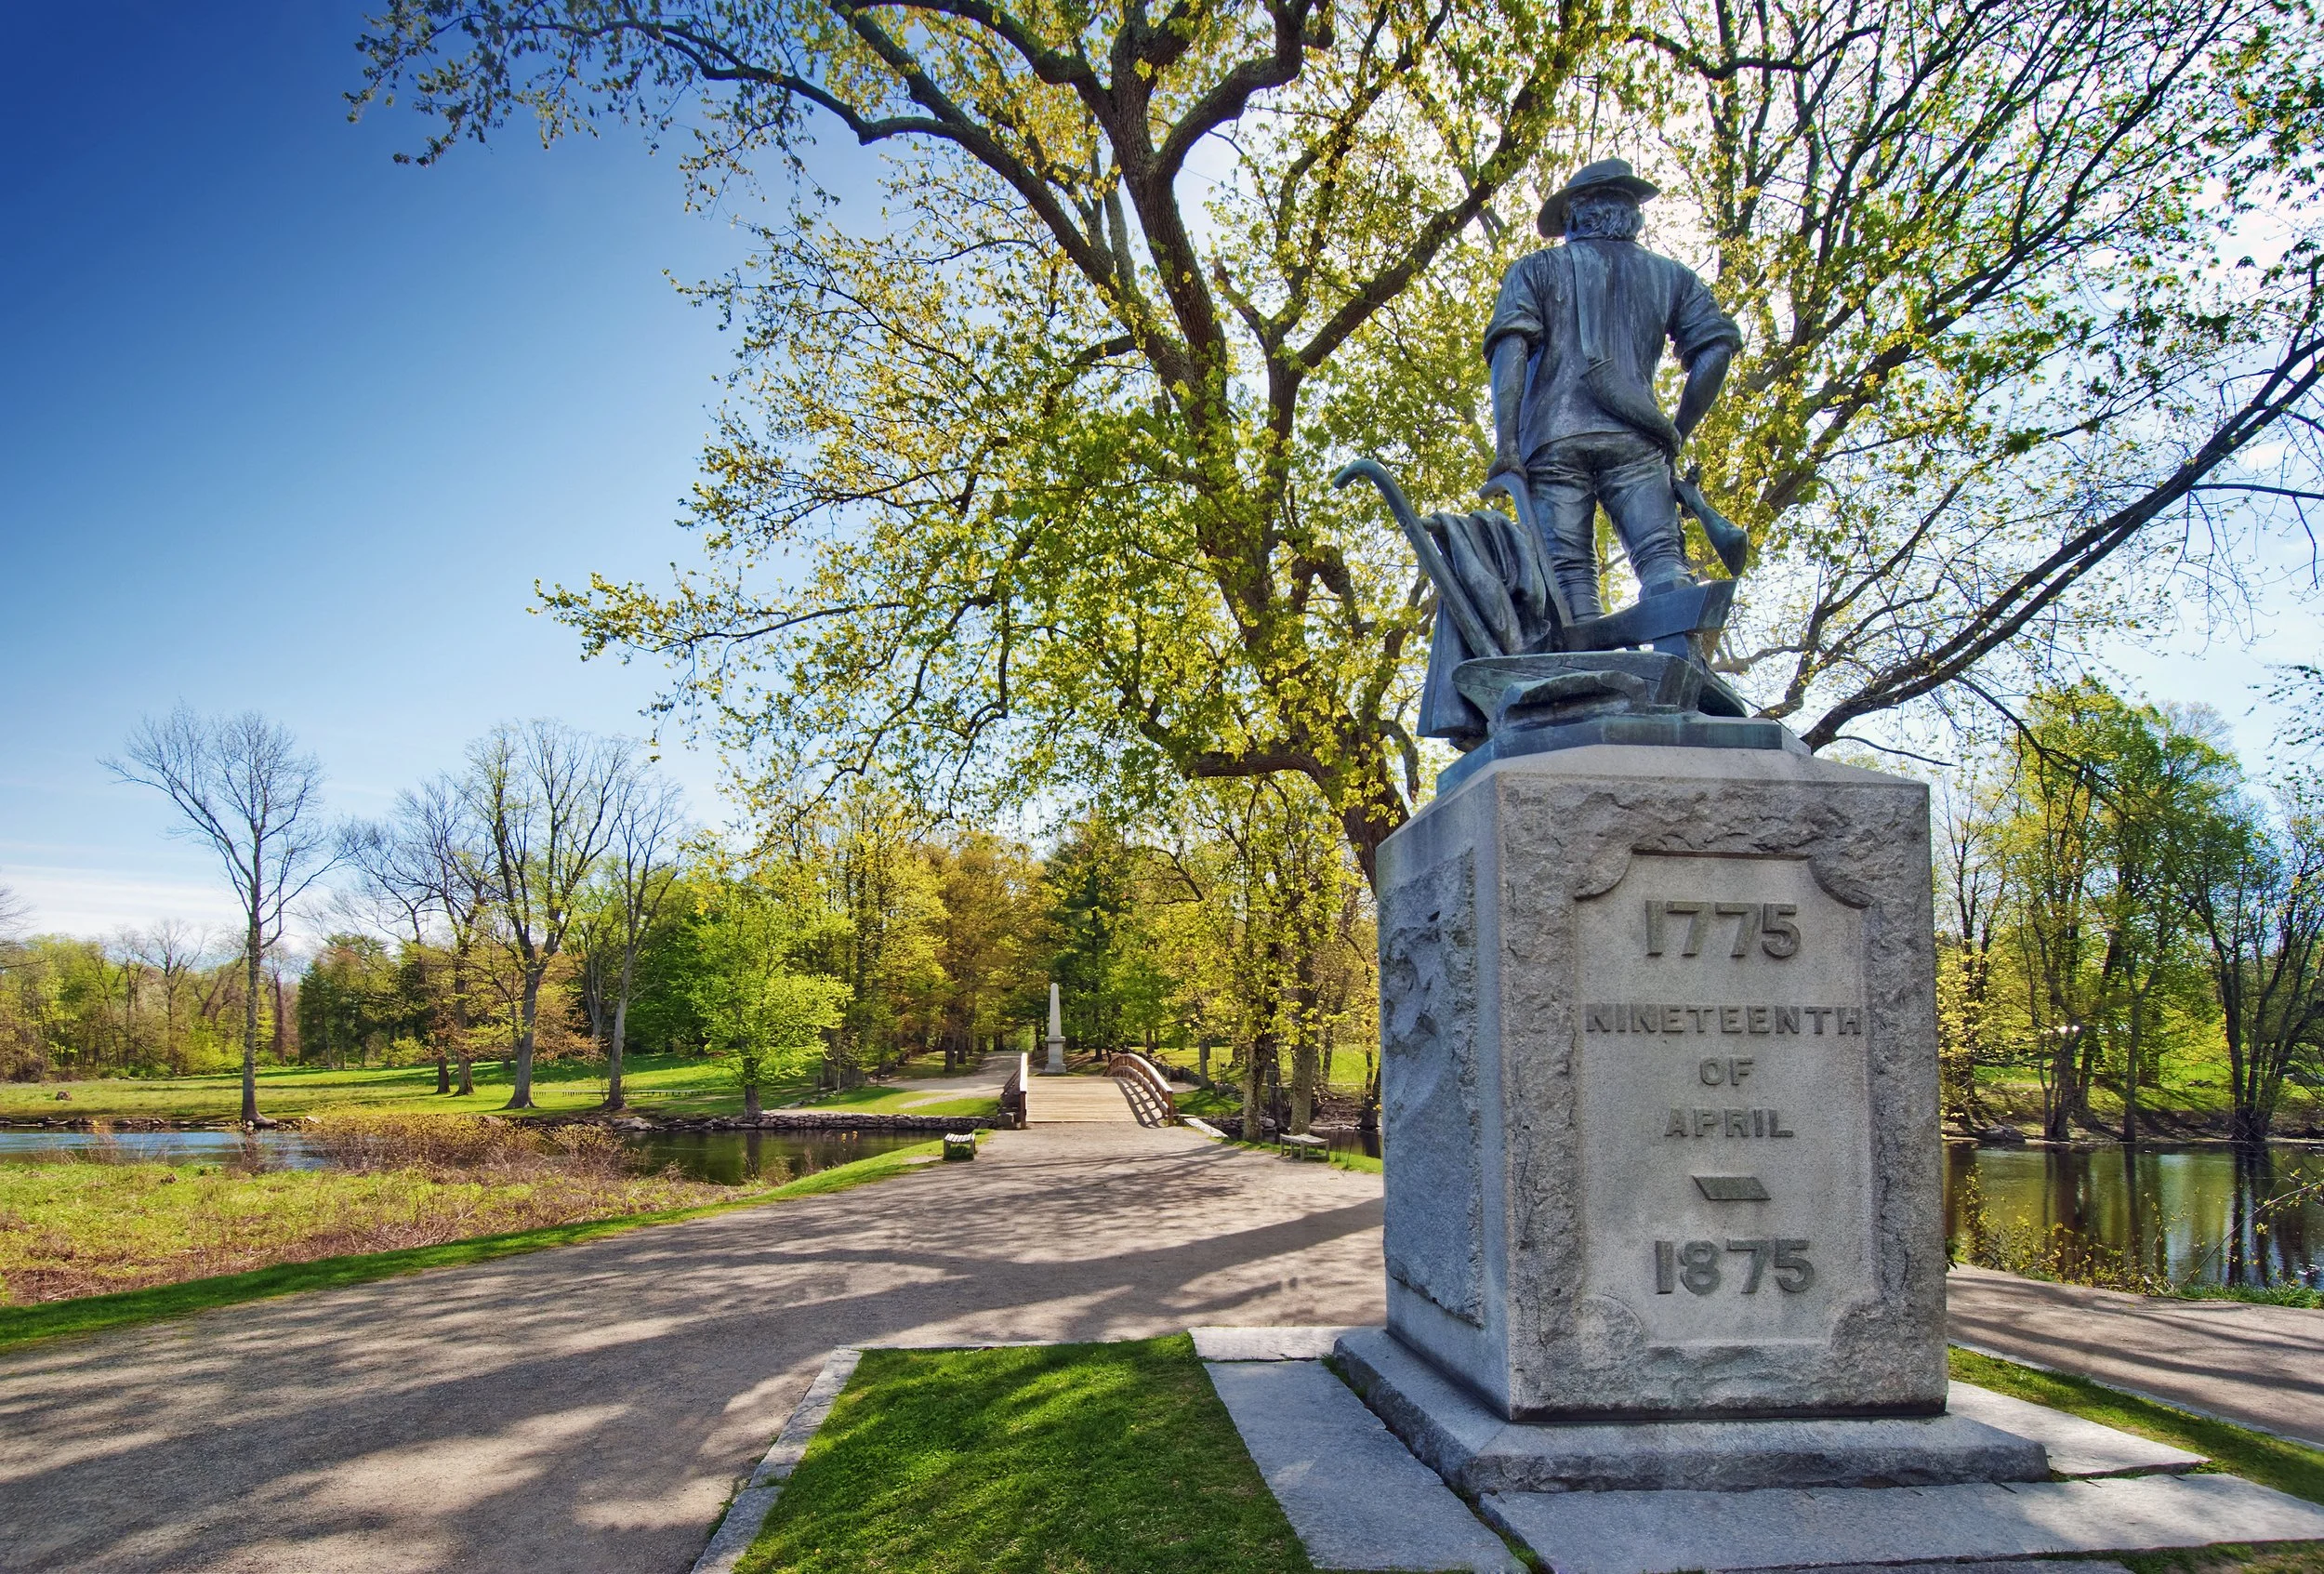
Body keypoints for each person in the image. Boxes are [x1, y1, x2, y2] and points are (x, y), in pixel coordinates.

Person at [1483, 158, 1740, 620]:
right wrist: (1674, 433)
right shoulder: (1674, 277)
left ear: (1576, 215)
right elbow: (1716, 350)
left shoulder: (1534, 269)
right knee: (1664, 563)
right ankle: (1681, 652)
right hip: (1638, 441)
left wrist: (1507, 448)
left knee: (1569, 581)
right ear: (1630, 214)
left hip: (1552, 441)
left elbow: (1510, 350)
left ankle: (1583, 658)